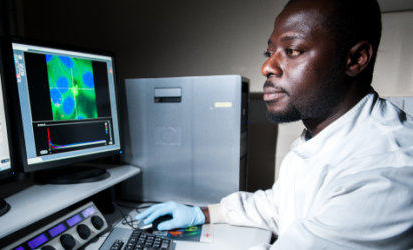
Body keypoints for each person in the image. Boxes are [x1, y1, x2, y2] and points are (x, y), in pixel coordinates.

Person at [135, 0, 413, 249]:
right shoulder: (318, 136)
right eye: (269, 52)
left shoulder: (388, 170)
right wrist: (202, 213)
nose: (267, 67)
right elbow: (278, 206)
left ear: (355, 59)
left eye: (291, 50)